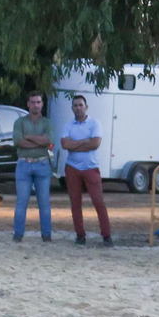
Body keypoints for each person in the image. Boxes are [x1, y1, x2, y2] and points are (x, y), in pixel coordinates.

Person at [60, 94, 112, 245]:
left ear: (86, 107)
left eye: (80, 105)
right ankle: (80, 235)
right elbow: (65, 145)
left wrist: (74, 144)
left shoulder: (95, 123)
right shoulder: (68, 125)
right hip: (72, 168)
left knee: (98, 201)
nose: (78, 108)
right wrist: (85, 142)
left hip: (90, 167)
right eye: (75, 105)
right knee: (75, 203)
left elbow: (95, 144)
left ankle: (106, 235)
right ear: (72, 108)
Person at [11, 91, 55, 242]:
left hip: (43, 164)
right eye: (33, 102)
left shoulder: (47, 123)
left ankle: (46, 235)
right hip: (24, 164)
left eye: (38, 102)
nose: (36, 105)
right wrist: (39, 140)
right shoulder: (20, 122)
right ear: (28, 104)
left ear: (42, 104)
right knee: (21, 202)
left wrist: (28, 137)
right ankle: (18, 235)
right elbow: (18, 141)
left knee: (44, 202)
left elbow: (48, 141)